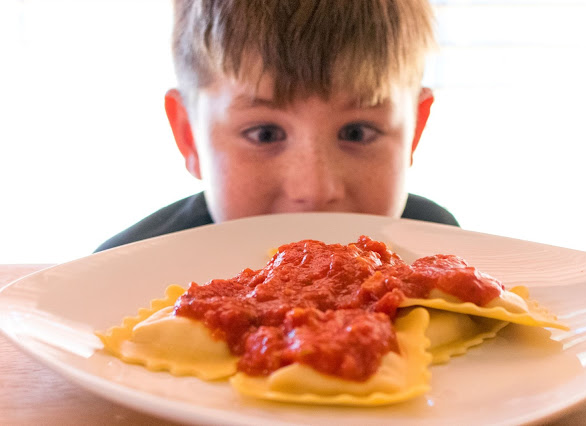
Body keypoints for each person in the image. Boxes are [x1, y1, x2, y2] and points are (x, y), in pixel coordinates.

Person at [96, 0, 458, 252]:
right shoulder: (115, 277)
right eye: (264, 134)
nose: (314, 191)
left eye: (357, 132)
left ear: (415, 131)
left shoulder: (441, 243)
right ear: (189, 136)